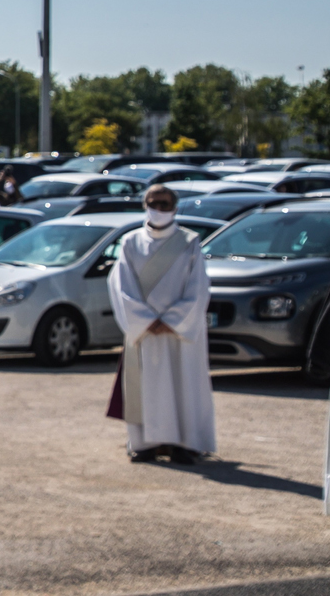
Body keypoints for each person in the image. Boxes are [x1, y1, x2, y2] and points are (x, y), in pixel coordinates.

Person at [108, 183, 215, 464]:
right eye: (153, 203)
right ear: (145, 205)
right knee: (144, 387)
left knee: (182, 385)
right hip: (144, 331)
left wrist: (172, 320)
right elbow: (121, 287)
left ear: (175, 208)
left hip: (178, 331)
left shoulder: (190, 242)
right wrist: (145, 321)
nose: (158, 209)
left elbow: (199, 287)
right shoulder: (130, 243)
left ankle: (184, 443)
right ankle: (144, 444)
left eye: (164, 204)